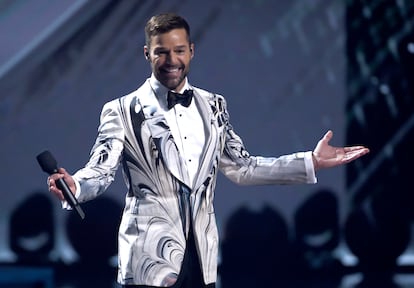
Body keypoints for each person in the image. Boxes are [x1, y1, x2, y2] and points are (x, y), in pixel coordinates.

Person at [46, 12, 369, 288]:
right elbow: (101, 169)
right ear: (147, 53)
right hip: (149, 254)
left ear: (191, 51)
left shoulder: (214, 105)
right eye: (162, 52)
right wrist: (76, 185)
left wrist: (310, 162)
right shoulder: (122, 109)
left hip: (202, 251)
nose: (172, 60)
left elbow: (242, 168)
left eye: (179, 50)